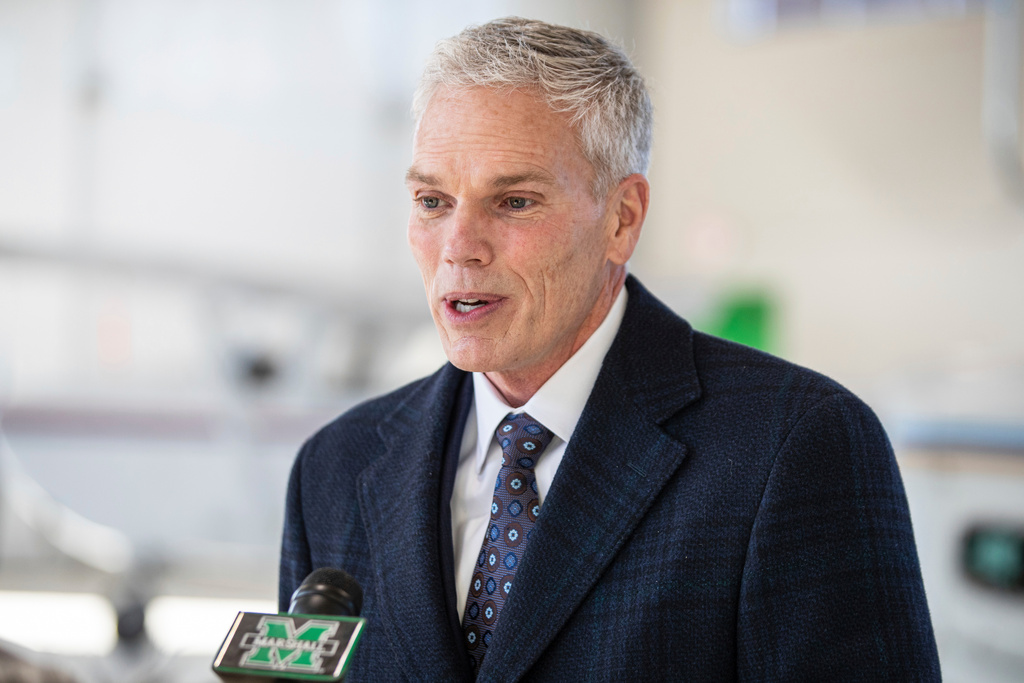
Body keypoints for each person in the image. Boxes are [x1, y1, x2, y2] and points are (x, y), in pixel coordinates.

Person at [279, 17, 940, 681]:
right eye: (432, 200)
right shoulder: (334, 471)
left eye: (512, 201)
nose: (460, 246)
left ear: (622, 219)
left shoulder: (794, 447)